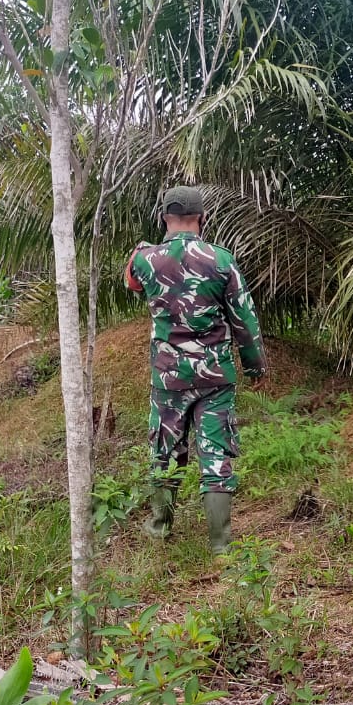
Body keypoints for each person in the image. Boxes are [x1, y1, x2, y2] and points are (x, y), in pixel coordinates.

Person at [124, 185, 267, 553]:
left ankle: (159, 527)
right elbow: (244, 319)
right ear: (202, 217)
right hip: (215, 376)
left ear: (162, 217)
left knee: (165, 450)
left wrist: (143, 251)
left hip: (168, 377)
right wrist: (254, 365)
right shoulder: (221, 260)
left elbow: (131, 283)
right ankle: (220, 545)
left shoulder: (145, 259)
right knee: (215, 452)